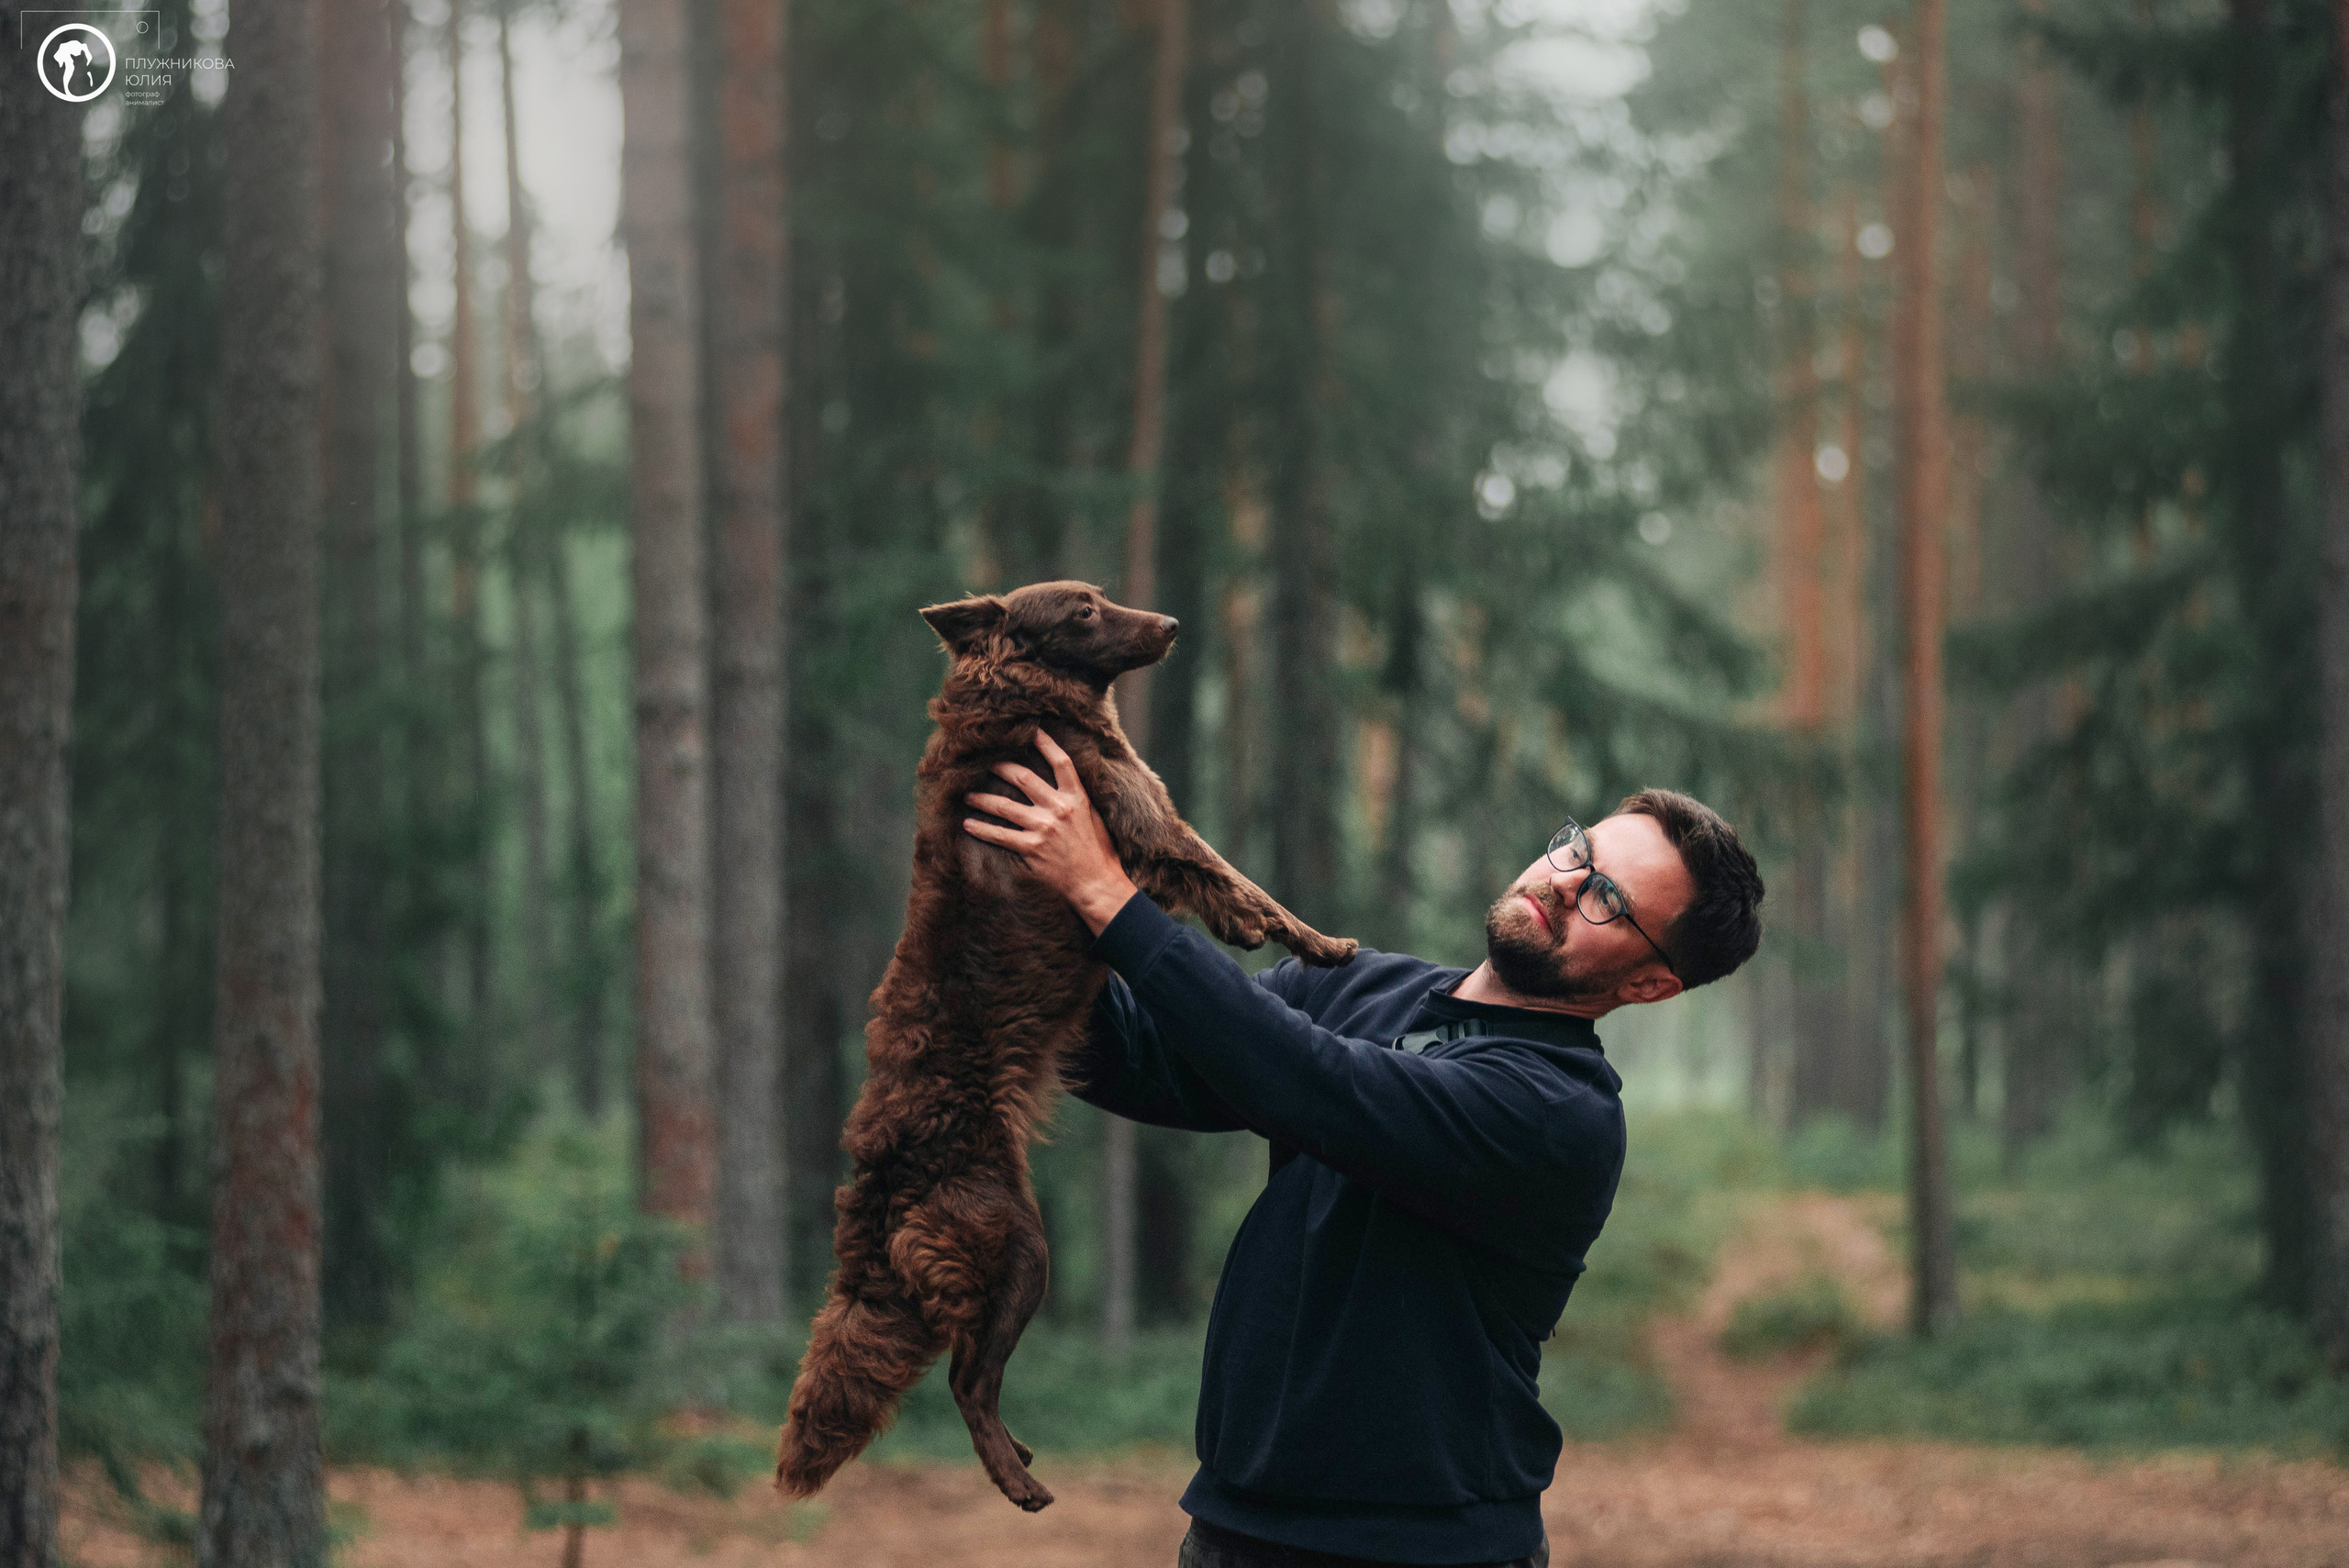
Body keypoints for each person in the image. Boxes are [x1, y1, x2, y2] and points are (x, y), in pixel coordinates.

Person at [963, 730, 1765, 1568]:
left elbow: (1310, 1082)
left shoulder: (1560, 1111)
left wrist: (1104, 891)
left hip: (1427, 1552)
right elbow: (1142, 1056)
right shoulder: (1357, 984)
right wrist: (1016, 896)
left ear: (1648, 983)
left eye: (1606, 896)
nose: (1565, 882)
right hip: (1235, 1527)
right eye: (1579, 850)